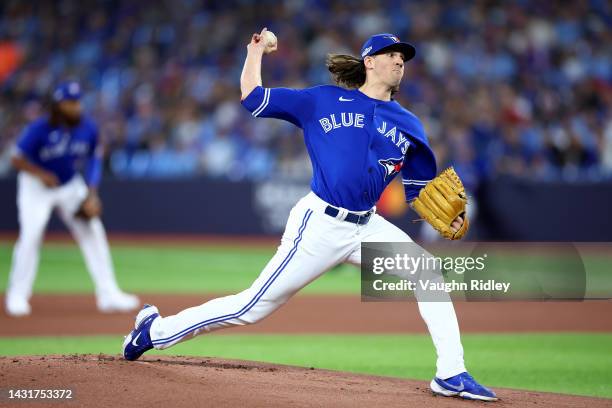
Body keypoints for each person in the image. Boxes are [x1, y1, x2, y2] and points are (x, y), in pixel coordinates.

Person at [122, 30, 497, 401]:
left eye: (404, 56)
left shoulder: (409, 124)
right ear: (369, 61)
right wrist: (255, 53)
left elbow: (420, 190)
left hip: (367, 227)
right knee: (251, 307)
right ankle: (153, 332)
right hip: (320, 224)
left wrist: (444, 215)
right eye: (392, 54)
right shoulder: (323, 100)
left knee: (427, 272)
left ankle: (451, 373)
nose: (400, 60)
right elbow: (253, 98)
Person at [5, 81, 139, 317]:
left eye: (77, 102)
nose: (75, 107)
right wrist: (41, 174)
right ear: (58, 105)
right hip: (36, 186)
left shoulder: (87, 127)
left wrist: (92, 193)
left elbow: (95, 159)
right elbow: (16, 159)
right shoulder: (40, 128)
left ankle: (108, 294)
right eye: (70, 103)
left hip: (68, 184)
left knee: (93, 231)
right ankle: (17, 294)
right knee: (31, 234)